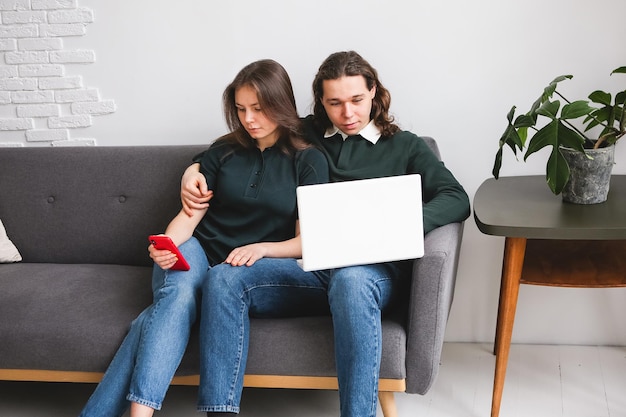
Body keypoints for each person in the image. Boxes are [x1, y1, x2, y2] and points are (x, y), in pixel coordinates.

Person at [181, 51, 470, 417]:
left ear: (374, 93)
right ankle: (219, 412)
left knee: (351, 280)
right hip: (309, 268)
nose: (347, 114)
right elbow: (227, 149)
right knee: (223, 277)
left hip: (369, 273)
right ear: (321, 102)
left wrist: (397, 223)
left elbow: (456, 198)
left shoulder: (406, 146)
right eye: (334, 103)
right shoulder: (305, 133)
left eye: (356, 100)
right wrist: (192, 170)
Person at [78, 59, 328, 417]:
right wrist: (166, 245)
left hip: (243, 267)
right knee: (177, 297)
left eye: (259, 109)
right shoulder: (224, 151)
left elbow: (307, 241)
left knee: (150, 320)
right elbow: (191, 215)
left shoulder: (308, 159)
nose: (249, 119)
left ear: (281, 103)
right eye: (241, 109)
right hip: (200, 249)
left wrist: (261, 249)